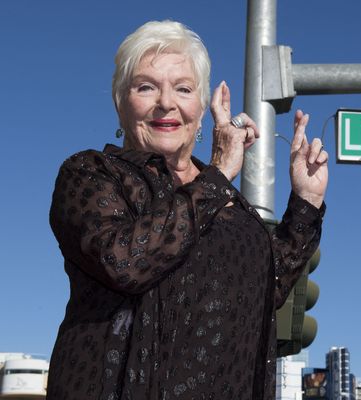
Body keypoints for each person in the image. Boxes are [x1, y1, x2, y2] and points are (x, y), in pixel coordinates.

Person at [47, 20, 328, 400]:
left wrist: (306, 201)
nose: (167, 103)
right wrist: (217, 177)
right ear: (120, 102)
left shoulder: (228, 200)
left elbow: (265, 291)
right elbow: (125, 262)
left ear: (199, 106)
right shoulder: (91, 173)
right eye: (146, 87)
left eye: (183, 88)